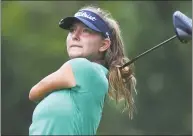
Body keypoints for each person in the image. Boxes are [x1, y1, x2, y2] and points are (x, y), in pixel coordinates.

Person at [29, 5, 137, 135]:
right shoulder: (94, 76)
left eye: (86, 31)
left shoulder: (82, 68)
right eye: (72, 30)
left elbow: (34, 92)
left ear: (103, 45)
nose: (75, 36)